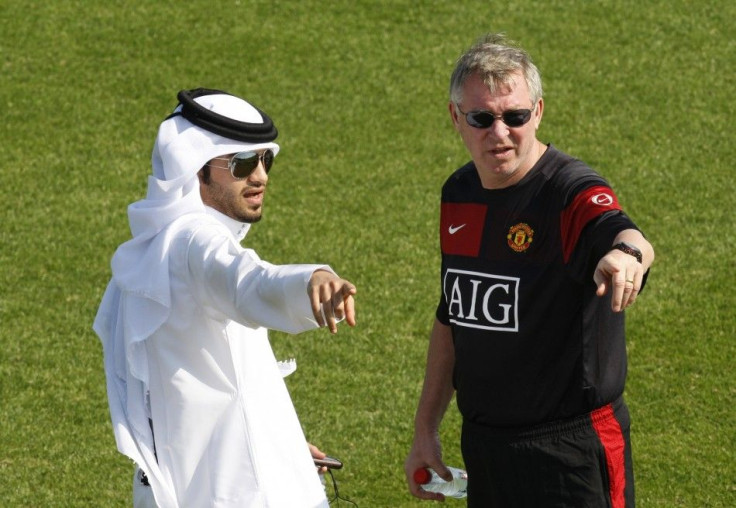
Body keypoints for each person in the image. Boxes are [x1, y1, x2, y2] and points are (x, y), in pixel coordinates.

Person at [404, 34, 654, 507]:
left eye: (515, 117)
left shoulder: (569, 192)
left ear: (538, 112)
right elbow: (452, 319)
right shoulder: (458, 193)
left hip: (571, 452)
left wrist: (628, 257)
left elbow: (622, 230)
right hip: (487, 448)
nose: (499, 133)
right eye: (482, 118)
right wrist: (426, 430)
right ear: (456, 117)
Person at [94, 88, 356, 508]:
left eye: (265, 160)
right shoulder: (195, 244)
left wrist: (282, 443)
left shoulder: (151, 250)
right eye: (242, 164)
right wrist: (312, 278)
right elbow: (250, 282)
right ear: (196, 170)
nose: (261, 176)